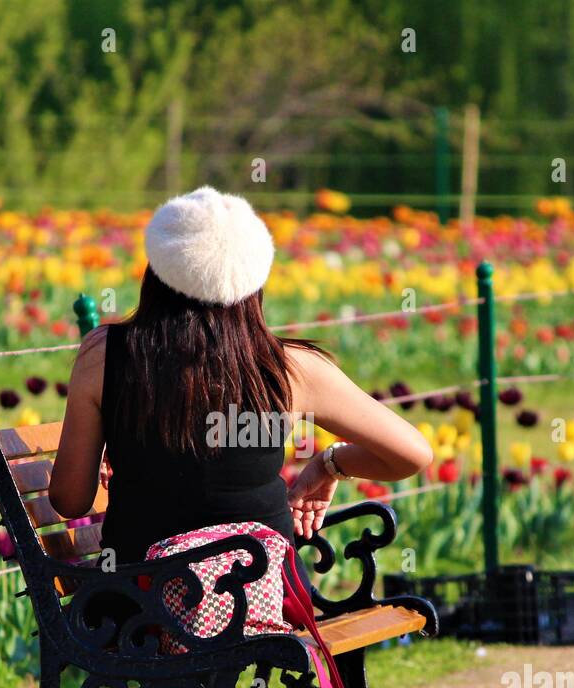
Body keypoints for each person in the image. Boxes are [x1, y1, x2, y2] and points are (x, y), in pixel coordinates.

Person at [48, 185, 433, 602]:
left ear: (157, 271)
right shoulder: (290, 369)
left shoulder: (106, 356)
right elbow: (412, 454)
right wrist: (330, 464)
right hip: (261, 601)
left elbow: (70, 501)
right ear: (253, 277)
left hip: (140, 604)